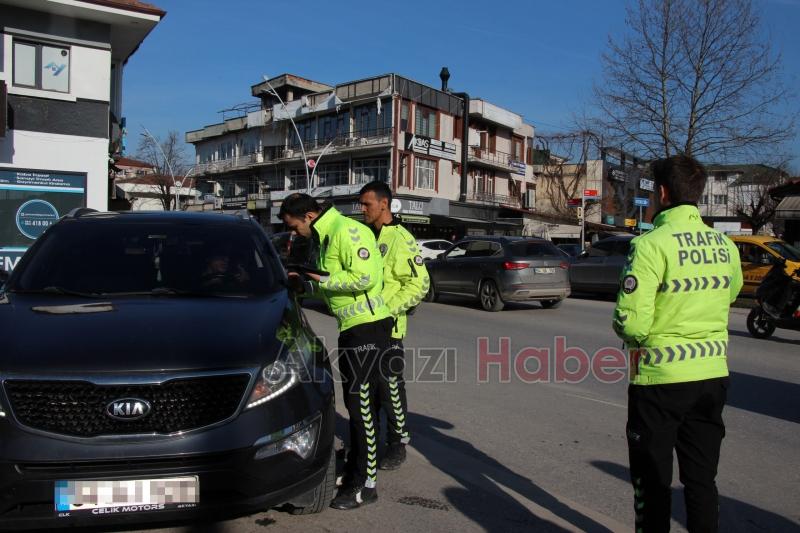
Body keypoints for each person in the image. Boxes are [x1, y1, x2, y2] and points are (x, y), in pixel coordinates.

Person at [612, 155, 743, 533]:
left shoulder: (651, 245)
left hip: (659, 381)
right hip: (712, 376)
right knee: (702, 482)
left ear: (663, 193)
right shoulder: (725, 246)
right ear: (698, 194)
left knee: (652, 484)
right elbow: (730, 293)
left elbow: (631, 322)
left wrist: (637, 339)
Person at [278, 193, 392, 510]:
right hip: (352, 327)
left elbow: (365, 277)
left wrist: (319, 277)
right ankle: (356, 470)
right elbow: (334, 285)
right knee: (357, 407)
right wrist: (306, 285)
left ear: (309, 216)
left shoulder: (347, 231)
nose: (293, 233)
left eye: (293, 226)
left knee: (361, 410)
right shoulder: (326, 235)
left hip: (368, 327)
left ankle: (366, 485)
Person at [359, 181, 429, 470]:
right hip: (363, 326)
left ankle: (398, 443)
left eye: (367, 205)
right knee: (367, 390)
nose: (362, 209)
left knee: (390, 389)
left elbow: (420, 284)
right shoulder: (363, 236)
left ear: (384, 204)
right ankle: (368, 443)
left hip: (388, 329)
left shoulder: (401, 238)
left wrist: (387, 311)